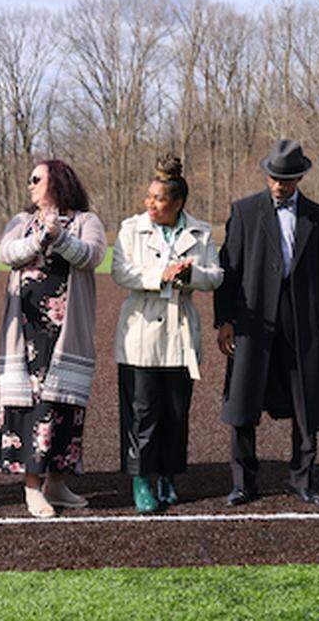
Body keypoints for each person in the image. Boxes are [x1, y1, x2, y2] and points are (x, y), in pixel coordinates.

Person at [214, 139, 319, 507]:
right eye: (274, 178)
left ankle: (302, 479)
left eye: (286, 179)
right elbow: (228, 270)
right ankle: (243, 483)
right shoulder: (245, 211)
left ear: (299, 178)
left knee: (307, 402)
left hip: (303, 320)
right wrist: (225, 321)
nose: (279, 185)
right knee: (243, 401)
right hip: (254, 319)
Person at [0, 160, 106, 518]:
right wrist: (42, 237)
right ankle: (31, 487)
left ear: (57, 181)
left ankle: (57, 483)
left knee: (64, 404)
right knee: (32, 405)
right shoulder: (21, 222)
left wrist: (62, 236)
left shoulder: (87, 221)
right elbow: (7, 254)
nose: (30, 185)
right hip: (26, 331)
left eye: (36, 179)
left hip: (67, 331)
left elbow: (91, 257)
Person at [111, 155, 223, 512]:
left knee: (176, 411)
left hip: (180, 332)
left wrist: (191, 276)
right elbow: (120, 271)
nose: (150, 203)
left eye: (158, 199)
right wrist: (160, 274)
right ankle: (141, 479)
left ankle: (168, 476)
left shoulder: (201, 232)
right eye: (149, 197)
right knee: (142, 412)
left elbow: (216, 275)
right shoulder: (131, 229)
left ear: (177, 203)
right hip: (141, 331)